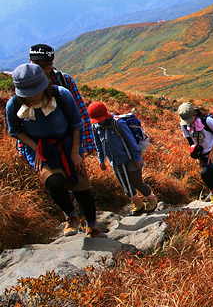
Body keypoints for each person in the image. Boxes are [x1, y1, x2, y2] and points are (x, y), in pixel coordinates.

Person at [6, 64, 99, 238]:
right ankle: (71, 216)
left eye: (35, 92)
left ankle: (92, 225)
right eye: (27, 95)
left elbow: (76, 123)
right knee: (53, 182)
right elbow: (16, 131)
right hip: (41, 149)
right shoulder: (14, 105)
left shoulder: (62, 95)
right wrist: (35, 149)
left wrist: (75, 152)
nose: (32, 98)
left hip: (68, 144)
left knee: (81, 187)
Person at [24, 44, 95, 155]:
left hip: (69, 142)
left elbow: (80, 111)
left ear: (52, 63)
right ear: (30, 62)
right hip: (39, 145)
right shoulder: (25, 83)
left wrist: (88, 142)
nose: (42, 71)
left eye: (46, 66)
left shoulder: (64, 80)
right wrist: (22, 148)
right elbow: (21, 117)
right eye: (37, 66)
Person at [89, 101, 157, 216]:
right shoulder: (95, 126)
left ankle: (152, 200)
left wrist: (137, 157)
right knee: (125, 185)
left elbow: (130, 140)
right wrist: (101, 160)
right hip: (115, 161)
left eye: (99, 119)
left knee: (136, 183)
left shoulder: (118, 123)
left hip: (130, 158)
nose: (98, 122)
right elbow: (98, 144)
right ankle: (138, 205)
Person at [178, 102, 213, 205]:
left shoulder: (207, 120)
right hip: (203, 152)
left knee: (205, 173)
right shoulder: (184, 125)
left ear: (194, 114)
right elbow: (191, 142)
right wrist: (199, 157)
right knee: (212, 175)